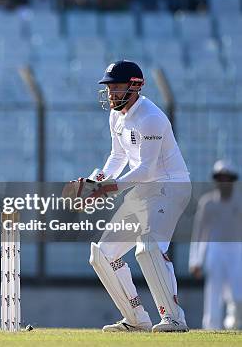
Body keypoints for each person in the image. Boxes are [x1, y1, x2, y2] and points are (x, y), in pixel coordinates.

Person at [73, 60, 192, 332]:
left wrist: (108, 189)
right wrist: (96, 181)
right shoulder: (116, 116)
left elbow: (147, 170)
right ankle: (136, 319)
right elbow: (118, 156)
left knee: (148, 247)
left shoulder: (150, 118)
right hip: (143, 189)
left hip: (169, 186)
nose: (112, 93)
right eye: (109, 88)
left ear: (135, 86)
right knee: (103, 254)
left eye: (117, 87)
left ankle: (174, 318)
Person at [189, 160, 242, 329]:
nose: (224, 182)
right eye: (220, 178)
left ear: (233, 180)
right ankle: (211, 328)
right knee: (214, 292)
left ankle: (235, 324)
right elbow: (199, 233)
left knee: (238, 293)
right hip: (215, 251)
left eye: (227, 178)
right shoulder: (207, 203)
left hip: (237, 251)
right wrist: (195, 261)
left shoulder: (240, 201)